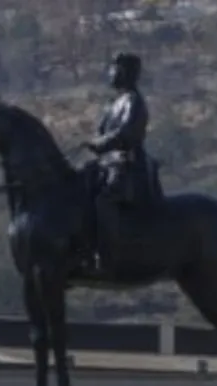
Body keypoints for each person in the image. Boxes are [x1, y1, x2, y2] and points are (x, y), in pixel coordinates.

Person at [80, 51, 157, 273]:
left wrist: (101, 144)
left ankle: (108, 255)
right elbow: (103, 131)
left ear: (125, 73)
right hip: (108, 164)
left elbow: (127, 134)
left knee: (105, 201)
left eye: (115, 69)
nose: (110, 73)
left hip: (127, 165)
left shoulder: (134, 102)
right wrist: (95, 143)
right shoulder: (114, 104)